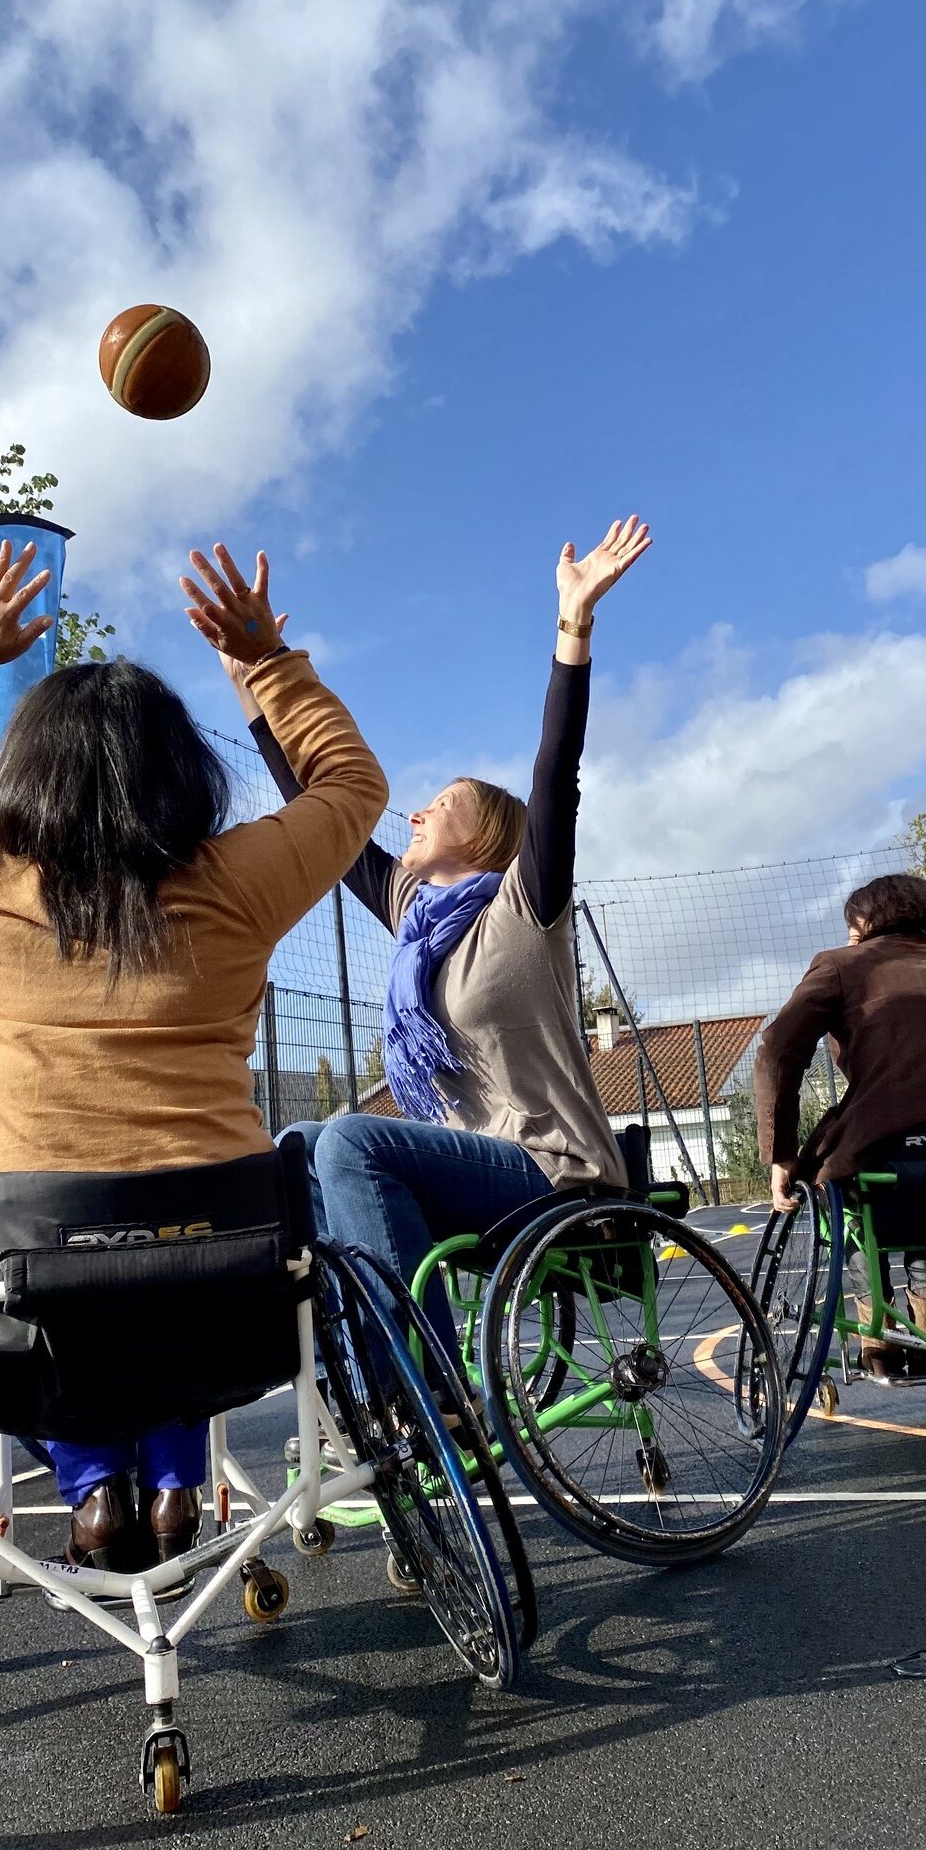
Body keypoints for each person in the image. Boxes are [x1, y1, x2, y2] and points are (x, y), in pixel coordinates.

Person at [0, 537, 387, 1574]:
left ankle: (93, 1485)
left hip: (37, 1277)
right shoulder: (233, 883)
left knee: (60, 1301)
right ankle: (180, 1474)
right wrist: (266, 662)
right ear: (181, 773)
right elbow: (352, 787)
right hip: (228, 1281)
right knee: (172, 1276)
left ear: (22, 773)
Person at [224, 518, 651, 1353]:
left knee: (351, 1138)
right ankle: (360, 1362)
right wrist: (254, 683)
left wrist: (574, 624)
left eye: (441, 802)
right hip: (461, 1168)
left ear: (488, 834)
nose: (416, 811)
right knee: (295, 1148)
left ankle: (423, 1376)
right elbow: (321, 811)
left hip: (551, 1175)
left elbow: (555, 773)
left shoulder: (526, 907)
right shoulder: (415, 920)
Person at [755, 872, 926, 1378]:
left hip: (883, 1156)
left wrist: (781, 1152)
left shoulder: (842, 966)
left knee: (848, 1200)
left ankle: (877, 1336)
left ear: (871, 919)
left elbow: (776, 1051)